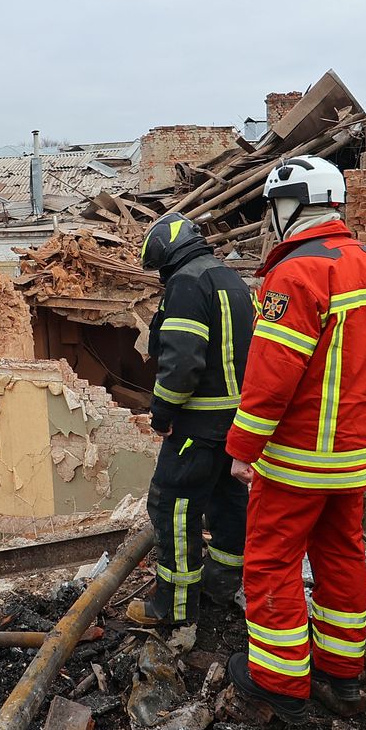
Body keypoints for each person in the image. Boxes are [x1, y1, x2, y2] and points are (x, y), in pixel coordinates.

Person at [222, 156, 366, 720]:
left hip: (296, 457)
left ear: (291, 204)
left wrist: (242, 448)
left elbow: (271, 375)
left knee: (271, 561)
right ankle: (342, 673)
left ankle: (277, 684)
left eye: (275, 208)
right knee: (343, 554)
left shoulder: (296, 272)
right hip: (351, 456)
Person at [125, 213, 255, 627]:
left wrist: (162, 413)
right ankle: (222, 587)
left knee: (172, 508)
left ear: (168, 255)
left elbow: (182, 362)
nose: (161, 276)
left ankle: (175, 609)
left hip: (197, 425)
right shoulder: (230, 278)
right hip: (235, 423)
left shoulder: (186, 283)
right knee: (229, 503)